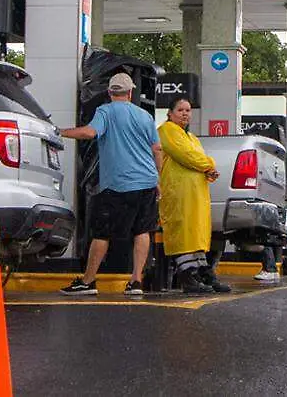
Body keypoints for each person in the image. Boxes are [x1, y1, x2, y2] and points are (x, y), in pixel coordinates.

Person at [58, 73, 162, 296]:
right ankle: (136, 282)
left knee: (102, 233)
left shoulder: (105, 111)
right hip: (146, 182)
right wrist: (157, 178)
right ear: (130, 92)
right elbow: (157, 150)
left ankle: (88, 282)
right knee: (142, 230)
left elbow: (89, 132)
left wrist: (60, 132)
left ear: (109, 92)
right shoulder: (145, 116)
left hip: (118, 185)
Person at [157, 98, 231, 294]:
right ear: (170, 113)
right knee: (183, 233)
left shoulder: (192, 138)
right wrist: (209, 165)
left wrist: (208, 169)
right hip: (178, 192)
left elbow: (197, 157)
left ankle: (203, 273)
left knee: (196, 233)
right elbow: (186, 155)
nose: (185, 113)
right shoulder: (166, 131)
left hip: (196, 193)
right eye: (180, 110)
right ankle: (187, 276)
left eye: (188, 110)